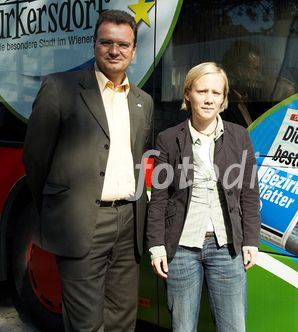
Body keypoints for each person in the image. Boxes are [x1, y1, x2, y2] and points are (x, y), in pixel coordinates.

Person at [23, 10, 153, 331]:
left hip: (129, 224)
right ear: (94, 45)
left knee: (123, 321)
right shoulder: (59, 88)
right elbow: (35, 159)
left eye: (123, 45)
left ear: (134, 51)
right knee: (86, 325)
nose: (114, 50)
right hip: (80, 223)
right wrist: (61, 205)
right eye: (106, 42)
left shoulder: (143, 101)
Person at [146, 62, 261, 332]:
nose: (209, 99)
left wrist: (251, 241)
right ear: (188, 94)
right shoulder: (169, 139)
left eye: (216, 93)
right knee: (183, 327)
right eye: (202, 91)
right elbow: (159, 198)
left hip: (227, 247)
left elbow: (249, 193)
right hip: (181, 248)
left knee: (233, 327)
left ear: (224, 98)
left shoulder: (239, 137)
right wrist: (156, 247)